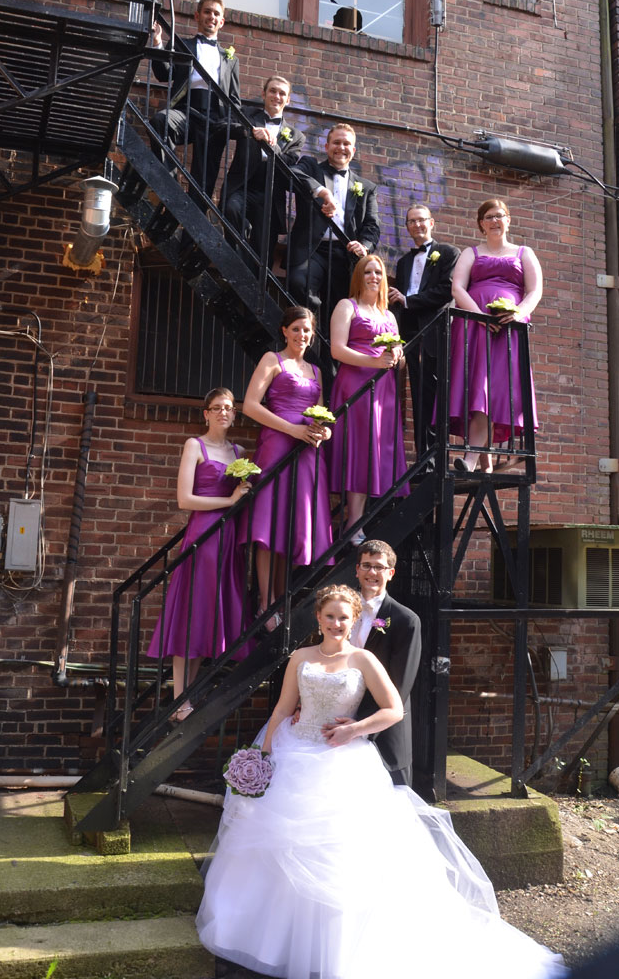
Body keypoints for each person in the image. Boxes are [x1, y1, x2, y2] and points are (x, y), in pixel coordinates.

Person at [196, 584, 568, 979]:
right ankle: (273, 939)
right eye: (330, 616)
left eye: (344, 617)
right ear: (318, 618)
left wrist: (355, 729)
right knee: (272, 847)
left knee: (341, 855)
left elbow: (393, 709)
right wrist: (264, 755)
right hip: (293, 753)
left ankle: (334, 949)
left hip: (341, 762)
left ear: (354, 620)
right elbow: (283, 709)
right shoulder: (300, 658)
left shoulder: (364, 659)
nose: (337, 623)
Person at [147, 388, 252, 721]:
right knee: (191, 614)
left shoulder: (240, 452)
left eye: (229, 408)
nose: (224, 412)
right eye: (217, 407)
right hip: (203, 535)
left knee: (208, 614)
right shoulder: (195, 445)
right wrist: (229, 501)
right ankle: (179, 698)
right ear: (205, 413)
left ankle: (187, 696)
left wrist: (243, 496)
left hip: (229, 538)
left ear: (235, 415)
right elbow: (184, 499)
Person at [241, 306, 333, 622]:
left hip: (308, 451)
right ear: (284, 331)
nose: (301, 335)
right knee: (270, 524)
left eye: (306, 330)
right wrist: (291, 428)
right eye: (296, 329)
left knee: (296, 523)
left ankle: (282, 598)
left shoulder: (317, 371)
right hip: (278, 445)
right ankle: (264, 603)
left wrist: (324, 430)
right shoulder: (272, 360)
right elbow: (251, 406)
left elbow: (319, 412)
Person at [449, 198, 542, 473]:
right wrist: (478, 316)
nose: (494, 220)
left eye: (499, 215)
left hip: (508, 332)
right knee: (478, 388)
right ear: (481, 224)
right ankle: (480, 459)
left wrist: (518, 314)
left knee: (497, 390)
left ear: (508, 220)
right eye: (488, 216)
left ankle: (473, 458)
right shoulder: (471, 253)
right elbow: (457, 288)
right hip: (475, 329)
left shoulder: (524, 252)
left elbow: (534, 291)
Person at [329, 254, 408, 544]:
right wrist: (373, 362)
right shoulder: (346, 306)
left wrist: (398, 356)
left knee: (375, 450)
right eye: (368, 272)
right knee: (359, 450)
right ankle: (354, 524)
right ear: (359, 277)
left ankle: (359, 521)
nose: (374, 276)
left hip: (384, 390)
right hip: (356, 387)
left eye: (378, 273)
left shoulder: (389, 316)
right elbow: (337, 350)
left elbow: (399, 362)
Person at [150, 0, 241, 200]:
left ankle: (191, 231)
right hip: (186, 110)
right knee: (160, 121)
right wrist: (157, 43)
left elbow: (234, 99)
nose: (212, 16)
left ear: (222, 21)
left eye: (216, 13)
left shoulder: (231, 59)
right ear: (197, 16)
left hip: (214, 119)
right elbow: (164, 73)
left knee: (204, 183)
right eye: (207, 11)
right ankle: (169, 186)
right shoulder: (184, 46)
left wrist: (227, 123)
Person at [389, 204, 459, 462]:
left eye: (421, 220)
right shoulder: (404, 261)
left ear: (432, 223)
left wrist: (408, 300)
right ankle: (424, 458)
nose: (417, 225)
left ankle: (439, 457)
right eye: (411, 222)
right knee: (419, 394)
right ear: (407, 227)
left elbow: (446, 290)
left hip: (438, 333)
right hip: (412, 336)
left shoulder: (449, 252)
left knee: (439, 394)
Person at [287, 123, 380, 317]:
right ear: (326, 146)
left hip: (344, 255)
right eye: (336, 142)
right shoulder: (311, 167)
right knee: (299, 284)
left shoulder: (366, 187)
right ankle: (310, 324)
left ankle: (329, 344)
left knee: (338, 311)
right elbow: (292, 173)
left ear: (353, 150)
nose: (341, 147)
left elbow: (372, 225)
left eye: (346, 144)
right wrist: (321, 191)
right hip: (312, 249)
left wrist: (364, 246)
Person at [350, 538, 421, 786]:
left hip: (383, 729)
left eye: (379, 567)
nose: (372, 572)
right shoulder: (340, 612)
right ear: (357, 570)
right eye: (367, 565)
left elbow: (400, 686)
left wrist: (361, 727)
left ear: (390, 573)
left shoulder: (405, 620)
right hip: (339, 718)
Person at [221, 75, 305, 265]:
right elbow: (223, 126)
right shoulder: (248, 114)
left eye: (282, 93)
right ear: (264, 94)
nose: (277, 96)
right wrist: (249, 132)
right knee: (231, 208)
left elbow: (289, 163)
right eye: (273, 91)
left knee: (262, 248)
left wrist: (271, 146)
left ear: (288, 99)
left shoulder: (296, 136)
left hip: (270, 192)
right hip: (242, 184)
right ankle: (235, 262)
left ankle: (251, 282)